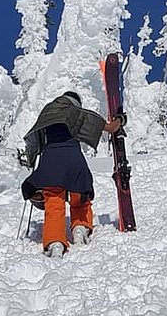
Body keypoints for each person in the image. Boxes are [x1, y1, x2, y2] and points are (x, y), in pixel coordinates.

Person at [20, 91, 123, 256]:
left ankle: (55, 243)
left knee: (53, 203)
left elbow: (34, 143)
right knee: (80, 198)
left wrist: (33, 164)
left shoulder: (46, 112)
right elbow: (111, 128)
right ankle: (80, 229)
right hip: (73, 160)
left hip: (50, 162)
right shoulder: (75, 111)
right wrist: (120, 119)